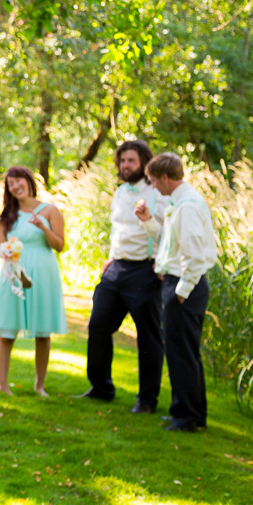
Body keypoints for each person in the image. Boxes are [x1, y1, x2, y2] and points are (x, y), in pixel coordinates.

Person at [79, 140, 167, 413]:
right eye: (122, 161)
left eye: (131, 160)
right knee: (98, 326)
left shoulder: (157, 194)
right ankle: (101, 387)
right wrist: (111, 256)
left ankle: (147, 400)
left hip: (145, 270)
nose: (125, 165)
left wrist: (160, 263)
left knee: (148, 338)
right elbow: (117, 230)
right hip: (116, 269)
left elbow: (166, 236)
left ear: (144, 162)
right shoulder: (119, 193)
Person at [137, 153, 216, 432]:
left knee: (182, 354)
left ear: (165, 178)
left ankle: (189, 418)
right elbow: (168, 243)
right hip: (180, 284)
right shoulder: (179, 203)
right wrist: (147, 220)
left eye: (154, 182)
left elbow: (194, 257)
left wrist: (180, 292)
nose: (154, 188)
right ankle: (187, 411)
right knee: (182, 352)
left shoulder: (187, 207)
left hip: (185, 286)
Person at [0, 166, 67, 397]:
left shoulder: (50, 210)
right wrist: (7, 252)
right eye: (10, 184)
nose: (15, 186)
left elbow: (60, 245)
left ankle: (39, 385)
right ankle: (3, 386)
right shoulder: (6, 216)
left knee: (43, 332)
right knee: (7, 330)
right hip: (14, 274)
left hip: (43, 273)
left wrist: (43, 227)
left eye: (18, 181)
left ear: (29, 181)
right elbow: (1, 247)